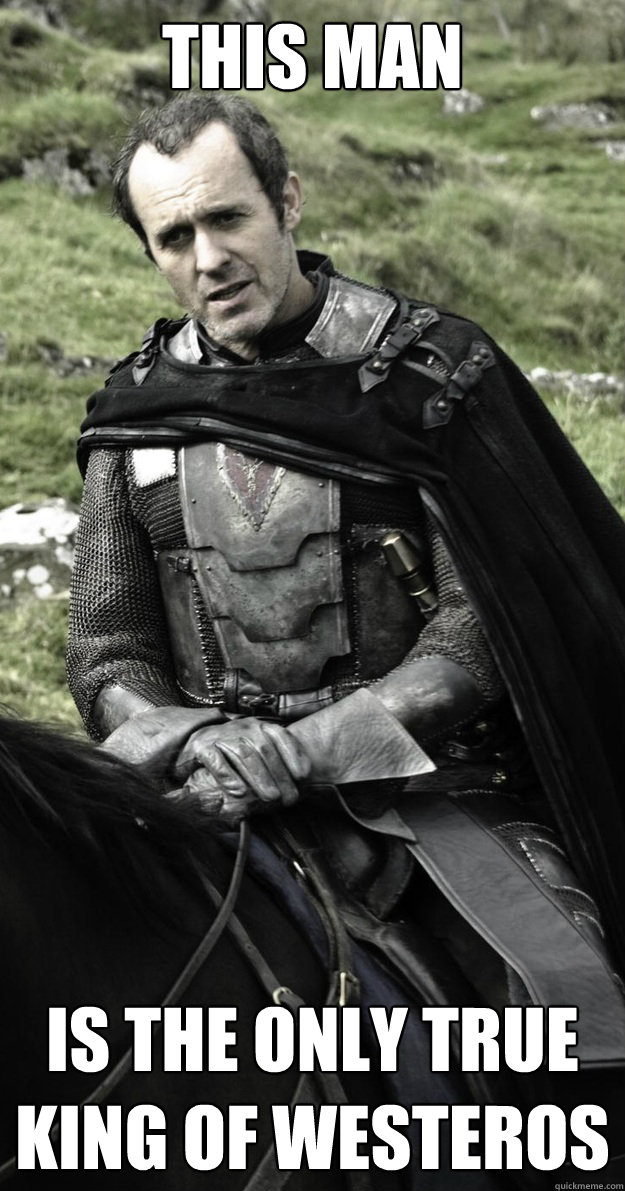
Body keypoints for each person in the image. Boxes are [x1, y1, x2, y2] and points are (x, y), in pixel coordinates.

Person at [68, 93, 625, 1123]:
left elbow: (480, 632)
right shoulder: (135, 412)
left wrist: (306, 748)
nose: (208, 259)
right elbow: (109, 650)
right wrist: (201, 743)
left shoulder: (425, 379)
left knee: (580, 1017)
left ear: (286, 201)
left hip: (433, 789)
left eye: (227, 218)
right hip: (208, 791)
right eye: (174, 237)